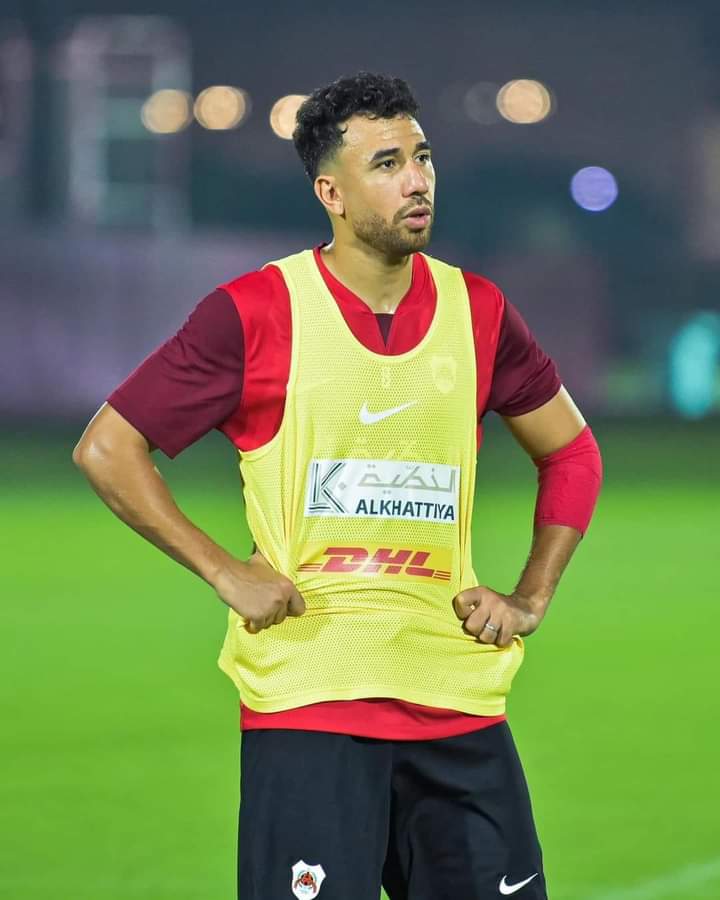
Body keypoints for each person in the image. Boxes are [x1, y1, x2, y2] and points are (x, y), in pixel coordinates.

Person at [73, 71, 603, 900]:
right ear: (332, 193)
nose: (417, 180)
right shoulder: (255, 312)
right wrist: (225, 570)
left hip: (455, 696)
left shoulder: (480, 311)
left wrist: (530, 597)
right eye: (387, 163)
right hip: (309, 704)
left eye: (422, 157)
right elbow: (108, 448)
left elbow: (572, 453)